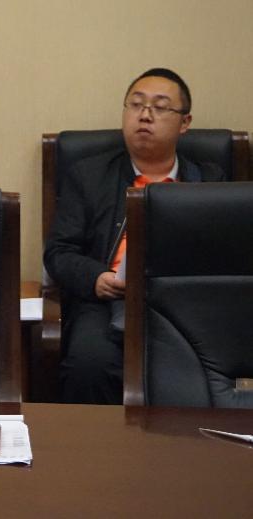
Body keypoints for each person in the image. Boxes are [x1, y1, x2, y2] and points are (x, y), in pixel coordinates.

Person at [44, 68, 225, 404]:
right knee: (89, 365)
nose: (145, 115)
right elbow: (58, 252)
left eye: (160, 107)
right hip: (107, 300)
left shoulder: (211, 182)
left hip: (187, 305)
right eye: (136, 104)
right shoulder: (88, 176)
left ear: (184, 123)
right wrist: (96, 278)